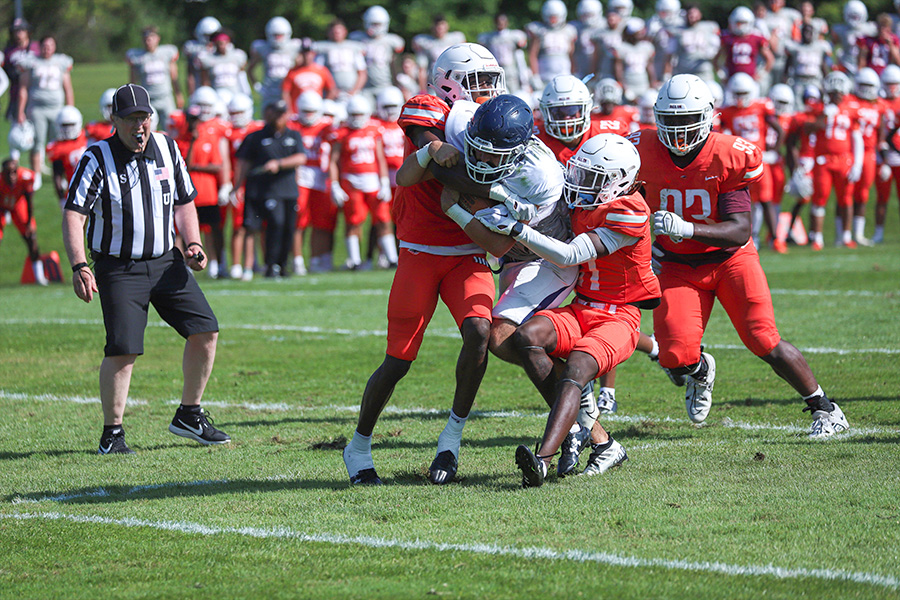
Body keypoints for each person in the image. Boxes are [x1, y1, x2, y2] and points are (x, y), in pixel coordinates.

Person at [626, 74, 848, 439]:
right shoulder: (639, 149)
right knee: (673, 356)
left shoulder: (729, 154)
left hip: (730, 260)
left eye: (687, 120)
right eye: (671, 120)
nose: (679, 131)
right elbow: (622, 203)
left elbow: (740, 228)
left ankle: (825, 408)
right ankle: (700, 371)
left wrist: (687, 229)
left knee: (764, 339)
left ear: (709, 116)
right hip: (678, 265)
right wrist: (641, 250)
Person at [342, 42, 504, 486]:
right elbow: (424, 139)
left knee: (479, 331)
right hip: (421, 251)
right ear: (449, 82)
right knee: (398, 360)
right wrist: (435, 149)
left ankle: (451, 440)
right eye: (478, 82)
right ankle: (358, 444)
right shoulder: (426, 105)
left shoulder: (498, 114)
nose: (487, 91)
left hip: (467, 248)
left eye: (492, 81)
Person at [474, 134, 659, 487]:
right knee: (526, 337)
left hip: (619, 314)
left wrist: (516, 229)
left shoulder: (629, 210)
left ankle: (542, 458)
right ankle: (599, 440)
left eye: (590, 178)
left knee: (577, 367)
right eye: (579, 173)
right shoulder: (587, 200)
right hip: (582, 307)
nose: (579, 184)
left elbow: (570, 254)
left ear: (617, 182)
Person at [61, 84, 230, 454]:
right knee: (123, 348)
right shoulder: (97, 157)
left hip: (166, 260)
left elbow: (185, 202)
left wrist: (193, 243)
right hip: (119, 266)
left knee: (205, 330)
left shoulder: (168, 148)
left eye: (145, 117)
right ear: (114, 120)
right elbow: (74, 213)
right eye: (132, 118)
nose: (140, 126)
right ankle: (113, 433)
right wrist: (78, 265)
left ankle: (189, 413)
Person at [233, 99, 306, 278]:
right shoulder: (255, 137)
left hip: (289, 189)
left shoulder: (294, 135)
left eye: (283, 113)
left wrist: (279, 164)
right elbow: (244, 163)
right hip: (267, 190)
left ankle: (282, 264)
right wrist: (236, 186)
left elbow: (301, 158)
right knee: (276, 225)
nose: (280, 117)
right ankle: (271, 264)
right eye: (277, 113)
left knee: (289, 227)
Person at [327, 94, 393, 271]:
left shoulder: (374, 129)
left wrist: (385, 181)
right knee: (354, 221)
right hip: (352, 182)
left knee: (383, 219)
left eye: (359, 114)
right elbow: (333, 161)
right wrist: (335, 184)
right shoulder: (341, 132)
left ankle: (392, 258)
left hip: (373, 181)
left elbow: (380, 158)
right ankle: (354, 260)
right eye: (353, 114)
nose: (356, 118)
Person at [718, 73, 783, 251]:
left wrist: (773, 152)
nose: (740, 97)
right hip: (738, 164)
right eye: (737, 93)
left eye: (743, 93)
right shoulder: (728, 111)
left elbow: (779, 129)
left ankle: (775, 239)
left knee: (766, 200)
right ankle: (742, 239)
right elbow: (716, 133)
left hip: (760, 162)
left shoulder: (761, 107)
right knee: (739, 201)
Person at [806, 70, 863, 250]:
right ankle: (817, 238)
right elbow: (807, 128)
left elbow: (856, 137)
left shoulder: (851, 109)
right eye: (833, 93)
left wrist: (858, 163)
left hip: (844, 160)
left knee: (846, 198)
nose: (836, 96)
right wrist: (825, 115)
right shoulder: (819, 109)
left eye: (839, 93)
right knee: (820, 198)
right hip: (823, 160)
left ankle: (845, 236)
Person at [16, 35, 74, 186]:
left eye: (50, 45)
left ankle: (59, 175)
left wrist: (70, 109)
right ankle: (37, 176)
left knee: (59, 144)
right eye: (44, 45)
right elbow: (23, 89)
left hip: (57, 108)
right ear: (39, 47)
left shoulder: (61, 62)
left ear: (54, 47)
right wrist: (20, 111)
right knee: (37, 142)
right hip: (37, 109)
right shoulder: (32, 63)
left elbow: (67, 88)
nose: (47, 48)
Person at [289, 91, 335, 274]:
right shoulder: (292, 124)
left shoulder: (328, 125)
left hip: (321, 176)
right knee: (299, 220)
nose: (308, 115)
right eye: (305, 110)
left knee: (321, 221)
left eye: (312, 111)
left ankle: (317, 259)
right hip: (300, 174)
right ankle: (297, 260)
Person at [224, 93, 263, 280]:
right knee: (239, 225)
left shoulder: (258, 129)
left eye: (240, 112)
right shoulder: (227, 131)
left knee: (260, 225)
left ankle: (259, 262)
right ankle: (237, 264)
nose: (237, 116)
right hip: (236, 182)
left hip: (256, 182)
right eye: (234, 112)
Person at [0, 157, 48, 285]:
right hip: (1, 206)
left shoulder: (25, 177)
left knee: (31, 237)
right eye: (8, 173)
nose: (12, 176)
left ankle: (39, 277)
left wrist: (28, 222)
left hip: (17, 204)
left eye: (14, 172)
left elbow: (28, 201)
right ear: (2, 173)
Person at [126, 26, 183, 132]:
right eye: (146, 39)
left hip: (166, 97)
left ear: (158, 38)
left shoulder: (166, 53)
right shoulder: (138, 57)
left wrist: (178, 95)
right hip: (148, 99)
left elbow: (174, 76)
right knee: (148, 129)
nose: (148, 41)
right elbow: (133, 81)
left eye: (151, 38)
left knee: (172, 128)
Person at [350, 6, 406, 101]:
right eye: (373, 24)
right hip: (365, 87)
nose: (375, 27)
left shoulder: (392, 40)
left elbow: (398, 59)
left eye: (378, 24)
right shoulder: (357, 39)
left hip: (385, 85)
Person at [248, 17, 301, 113]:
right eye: (275, 35)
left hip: (288, 92)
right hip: (269, 91)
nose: (277, 38)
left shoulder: (294, 47)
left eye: (280, 35)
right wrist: (257, 86)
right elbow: (250, 69)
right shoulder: (262, 48)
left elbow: (301, 68)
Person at [875, 64, 900, 243]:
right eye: (888, 83)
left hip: (898, 156)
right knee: (881, 197)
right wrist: (883, 159)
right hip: (883, 157)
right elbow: (878, 133)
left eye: (894, 83)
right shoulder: (878, 103)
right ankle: (878, 233)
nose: (891, 86)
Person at [527, 0, 577, 89]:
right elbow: (532, 55)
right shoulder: (540, 31)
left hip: (565, 74)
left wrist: (574, 73)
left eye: (555, 17)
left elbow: (572, 55)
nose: (553, 20)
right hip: (545, 76)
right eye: (551, 17)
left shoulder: (569, 31)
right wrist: (535, 75)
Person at [717, 6, 774, 84]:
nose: (740, 26)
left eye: (743, 23)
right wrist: (722, 74)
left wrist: (761, 74)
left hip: (751, 79)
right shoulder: (727, 37)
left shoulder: (756, 37)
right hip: (732, 79)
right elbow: (716, 59)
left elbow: (770, 58)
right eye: (738, 23)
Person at [281, 38, 337, 115]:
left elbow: (331, 89)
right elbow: (285, 92)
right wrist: (289, 110)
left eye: (309, 53)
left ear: (314, 53)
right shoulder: (292, 71)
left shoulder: (322, 70)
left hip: (316, 111)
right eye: (304, 53)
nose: (307, 56)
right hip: (297, 112)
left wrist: (324, 105)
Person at [45, 105, 87, 208]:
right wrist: (61, 198)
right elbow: (57, 174)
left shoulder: (88, 137)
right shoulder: (57, 147)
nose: (68, 129)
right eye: (65, 125)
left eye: (71, 125)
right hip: (74, 193)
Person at [315, 20, 368, 101]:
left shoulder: (354, 48)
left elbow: (362, 73)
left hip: (353, 93)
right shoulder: (323, 49)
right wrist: (331, 90)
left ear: (345, 32)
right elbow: (319, 72)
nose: (336, 34)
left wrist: (354, 91)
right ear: (328, 33)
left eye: (338, 31)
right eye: (334, 32)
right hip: (332, 94)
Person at [412, 16, 466, 93]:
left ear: (447, 26)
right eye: (437, 26)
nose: (439, 29)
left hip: (455, 82)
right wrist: (423, 90)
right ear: (432, 27)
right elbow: (422, 68)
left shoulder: (456, 38)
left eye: (442, 25)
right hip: (434, 84)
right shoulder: (425, 43)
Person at [668, 4, 720, 83]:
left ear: (700, 15)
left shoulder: (709, 27)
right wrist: (667, 72)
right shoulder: (677, 30)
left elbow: (718, 46)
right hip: (684, 71)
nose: (692, 16)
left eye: (695, 13)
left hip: (703, 70)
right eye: (690, 14)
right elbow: (669, 53)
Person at [478, 14, 529, 94]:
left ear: (507, 22)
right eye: (498, 22)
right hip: (495, 68)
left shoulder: (513, 35)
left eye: (502, 21)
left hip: (510, 69)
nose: (500, 24)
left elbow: (522, 45)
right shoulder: (489, 37)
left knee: (514, 91)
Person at [198, 30, 249, 103]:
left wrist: (246, 93)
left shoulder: (237, 56)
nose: (222, 46)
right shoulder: (208, 58)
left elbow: (242, 78)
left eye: (224, 43)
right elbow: (205, 81)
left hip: (235, 94)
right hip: (217, 96)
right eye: (219, 43)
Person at [3, 18, 38, 122]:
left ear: (27, 31)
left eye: (21, 30)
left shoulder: (37, 48)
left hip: (36, 93)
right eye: (15, 31)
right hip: (16, 93)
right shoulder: (9, 51)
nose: (18, 34)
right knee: (17, 127)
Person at [184, 16, 221, 96]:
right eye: (207, 35)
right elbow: (190, 73)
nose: (210, 39)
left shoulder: (221, 48)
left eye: (213, 35)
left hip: (217, 86)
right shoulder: (193, 47)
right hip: (199, 87)